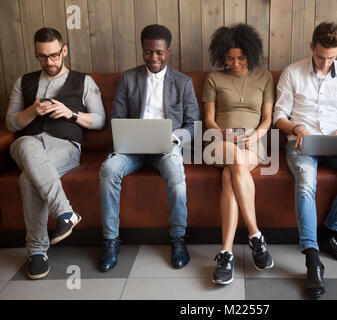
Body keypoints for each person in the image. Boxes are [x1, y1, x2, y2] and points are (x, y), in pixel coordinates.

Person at [273, 22, 337, 297]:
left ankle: (331, 230)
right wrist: (295, 127)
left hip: (336, 141)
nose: (325, 63)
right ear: (311, 48)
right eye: (321, 57)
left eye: (332, 57)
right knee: (306, 183)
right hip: (302, 142)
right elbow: (278, 116)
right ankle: (312, 257)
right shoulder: (292, 73)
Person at [5, 27, 106, 279]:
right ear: (36, 54)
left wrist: (71, 113)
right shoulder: (23, 82)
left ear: (64, 50)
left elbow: (100, 120)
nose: (49, 62)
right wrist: (32, 111)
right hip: (28, 143)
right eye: (42, 57)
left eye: (53, 55)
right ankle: (64, 212)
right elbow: (11, 124)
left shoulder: (84, 81)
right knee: (25, 144)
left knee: (28, 178)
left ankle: (37, 251)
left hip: (64, 146)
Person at [99, 24, 200, 272]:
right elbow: (116, 119)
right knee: (109, 170)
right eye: (147, 52)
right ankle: (111, 240)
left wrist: (174, 138)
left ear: (169, 51)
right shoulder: (129, 77)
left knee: (176, 173)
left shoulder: (183, 82)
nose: (153, 58)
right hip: (131, 148)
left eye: (159, 52)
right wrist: (125, 135)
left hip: (166, 147)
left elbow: (195, 124)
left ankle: (178, 238)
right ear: (142, 50)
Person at [202, 24, 275, 285]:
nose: (235, 63)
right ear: (222, 55)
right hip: (219, 140)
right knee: (234, 158)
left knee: (229, 176)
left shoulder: (265, 78)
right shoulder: (213, 78)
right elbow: (208, 120)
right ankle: (255, 235)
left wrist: (253, 137)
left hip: (254, 142)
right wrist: (224, 134)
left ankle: (226, 253)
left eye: (241, 58)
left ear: (251, 56)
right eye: (230, 58)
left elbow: (267, 119)